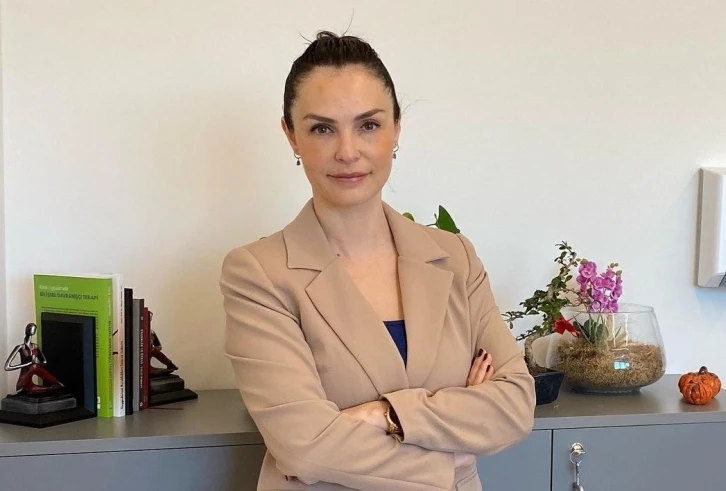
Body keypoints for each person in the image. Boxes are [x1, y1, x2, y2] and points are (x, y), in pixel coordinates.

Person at [219, 30, 536, 491]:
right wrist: (452, 449)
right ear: (291, 136)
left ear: (396, 128)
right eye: (322, 128)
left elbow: (514, 406)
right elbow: (303, 447)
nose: (348, 151)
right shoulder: (257, 273)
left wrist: (386, 415)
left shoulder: (454, 257)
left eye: (368, 125)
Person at [4, 323, 64, 395]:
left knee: (53, 388)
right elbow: (7, 367)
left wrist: (36, 361)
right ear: (27, 330)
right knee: (34, 366)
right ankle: (56, 383)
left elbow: (44, 362)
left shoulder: (35, 346)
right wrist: (28, 363)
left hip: (31, 385)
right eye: (30, 329)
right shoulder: (20, 347)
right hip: (23, 383)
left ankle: (56, 383)